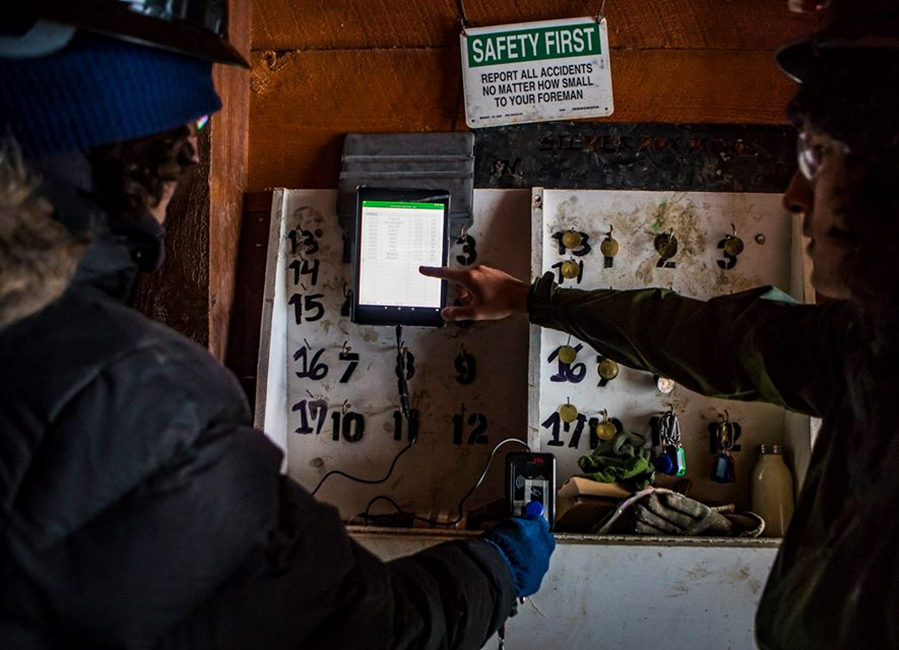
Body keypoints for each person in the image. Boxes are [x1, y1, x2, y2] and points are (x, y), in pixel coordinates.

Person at [421, 0, 899, 647]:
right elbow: (703, 336)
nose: (795, 197)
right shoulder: (875, 351)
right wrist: (531, 301)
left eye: (819, 155)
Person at [0, 2, 554, 648]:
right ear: (167, 143)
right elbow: (357, 633)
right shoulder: (131, 390)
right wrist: (496, 569)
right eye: (198, 118)